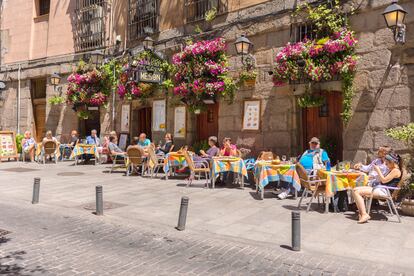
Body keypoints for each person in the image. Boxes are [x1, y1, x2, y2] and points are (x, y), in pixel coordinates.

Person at [352, 153, 403, 224]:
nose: (386, 165)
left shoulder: (396, 171)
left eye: (387, 163)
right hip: (381, 188)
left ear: (392, 162)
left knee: (357, 192)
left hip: (384, 191)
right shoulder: (393, 169)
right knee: (355, 189)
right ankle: (361, 214)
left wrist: (378, 170)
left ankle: (364, 214)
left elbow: (384, 180)